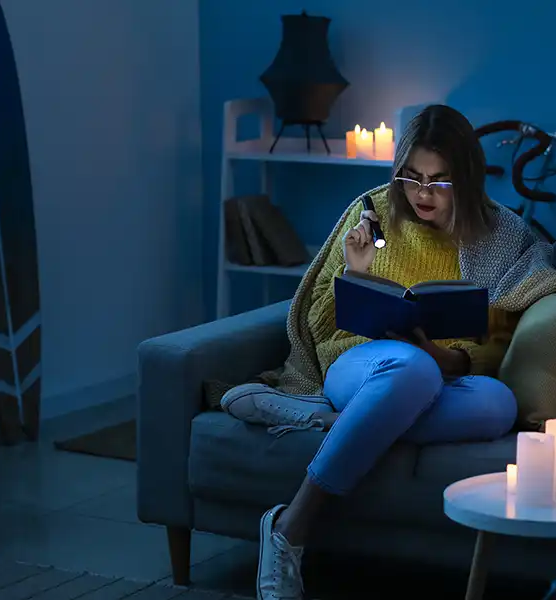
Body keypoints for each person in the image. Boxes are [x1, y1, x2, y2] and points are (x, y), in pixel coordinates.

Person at [223, 104, 522, 600]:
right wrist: (356, 273)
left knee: (498, 405)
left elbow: (499, 334)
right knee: (410, 367)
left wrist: (447, 356)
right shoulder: (373, 211)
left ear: (466, 177)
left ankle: (327, 418)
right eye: (412, 177)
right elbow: (320, 316)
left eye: (440, 181)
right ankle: (289, 527)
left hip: (437, 376)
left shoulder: (500, 234)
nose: (423, 193)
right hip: (357, 361)